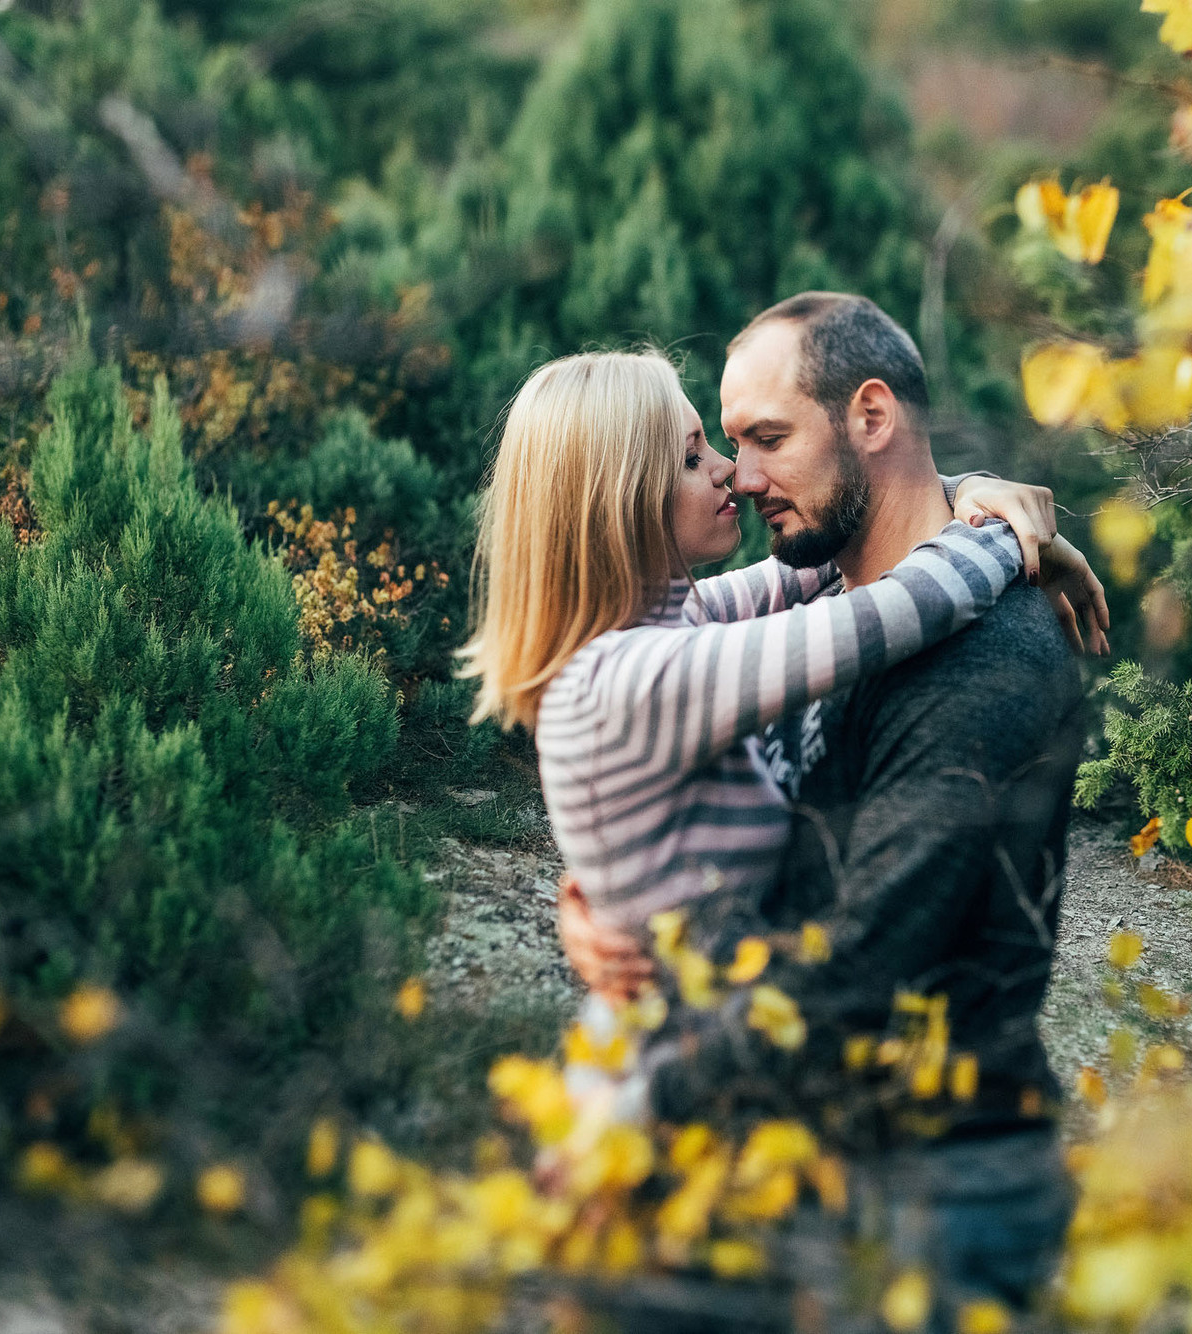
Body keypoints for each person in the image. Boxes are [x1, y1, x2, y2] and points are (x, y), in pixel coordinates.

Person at [560, 294, 1096, 1326]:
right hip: (789, 1145)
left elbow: (860, 967)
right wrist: (612, 898)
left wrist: (634, 1110)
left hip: (928, 1187)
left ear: (870, 416)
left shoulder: (982, 662)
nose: (743, 475)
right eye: (725, 446)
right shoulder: (819, 600)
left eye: (767, 438)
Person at [459, 348, 1104, 1122]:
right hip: (674, 1092)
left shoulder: (674, 618)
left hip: (717, 1052)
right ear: (623, 501)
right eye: (694, 458)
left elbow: (839, 547)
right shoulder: (638, 678)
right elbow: (895, 611)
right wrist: (1014, 536)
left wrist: (967, 492)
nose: (731, 471)